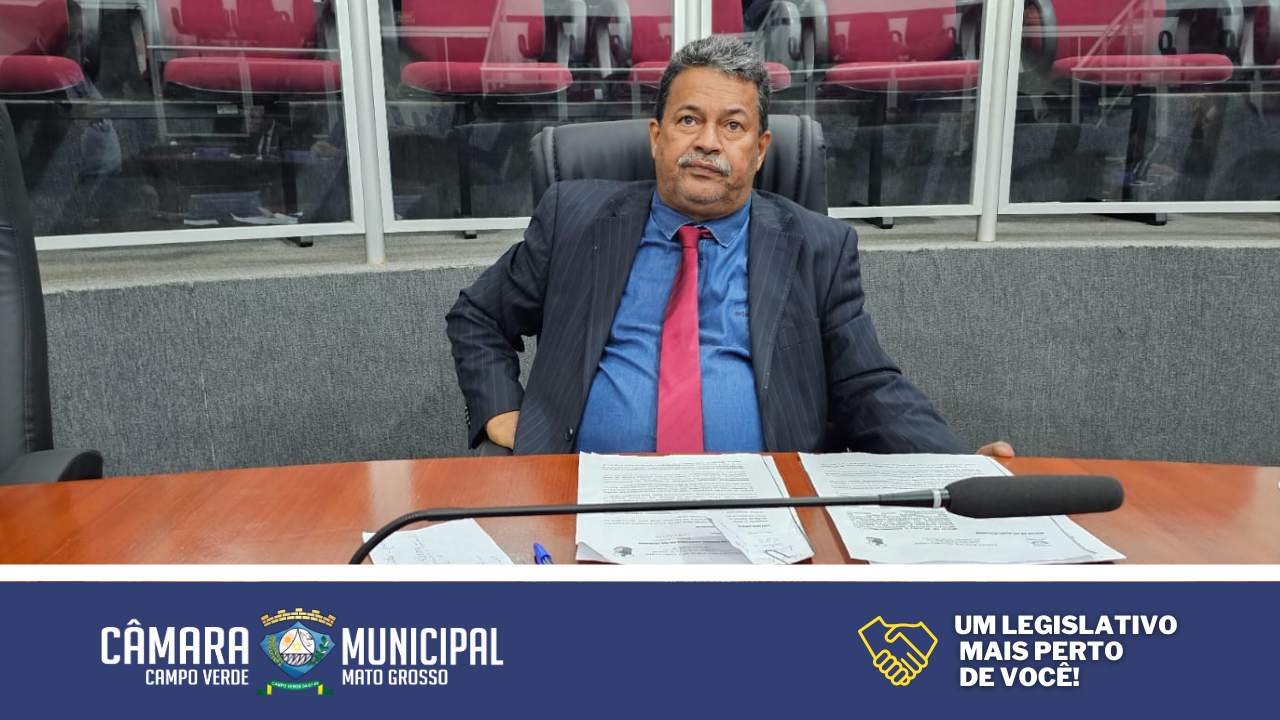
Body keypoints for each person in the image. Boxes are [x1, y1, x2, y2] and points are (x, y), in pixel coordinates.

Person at [446, 35, 1012, 458]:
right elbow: (478, 316)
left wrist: (956, 468)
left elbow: (867, 385)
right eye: (689, 119)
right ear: (657, 136)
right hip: (584, 490)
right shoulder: (575, 219)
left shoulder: (818, 246)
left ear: (760, 149)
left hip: (764, 504)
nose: (708, 143)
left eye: (733, 126)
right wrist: (501, 410)